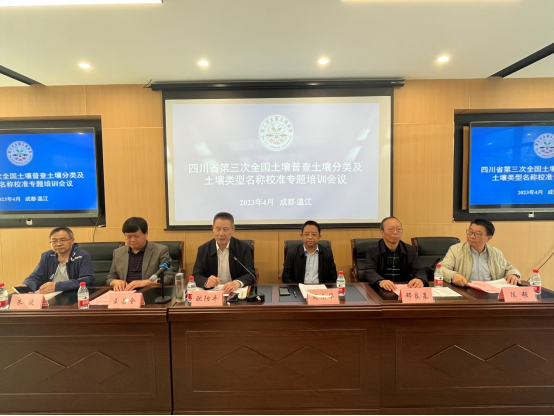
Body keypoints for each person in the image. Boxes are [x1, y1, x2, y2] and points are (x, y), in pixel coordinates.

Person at [441, 219, 520, 287]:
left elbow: (510, 268)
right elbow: (442, 268)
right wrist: (453, 275)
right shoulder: (456, 250)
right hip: (466, 290)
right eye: (470, 232)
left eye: (478, 234)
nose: (472, 236)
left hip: (490, 292)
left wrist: (513, 275)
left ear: (488, 238)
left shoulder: (496, 253)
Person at [192, 212, 256, 294]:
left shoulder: (243, 248)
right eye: (218, 229)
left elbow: (250, 274)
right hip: (213, 294)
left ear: (232, 229)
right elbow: (196, 275)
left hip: (235, 293)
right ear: (213, 229)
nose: (221, 234)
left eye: (225, 229)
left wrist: (237, 283)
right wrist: (206, 282)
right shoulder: (203, 250)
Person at [17, 227, 95, 294]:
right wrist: (27, 285)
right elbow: (37, 276)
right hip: (51, 295)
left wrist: (57, 286)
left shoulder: (82, 255)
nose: (58, 244)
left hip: (74, 294)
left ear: (72, 241)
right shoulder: (47, 256)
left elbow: (87, 279)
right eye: (54, 241)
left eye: (63, 240)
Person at [106, 217, 175, 291]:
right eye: (128, 237)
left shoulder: (160, 251)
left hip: (149, 292)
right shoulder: (118, 252)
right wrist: (116, 282)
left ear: (146, 233)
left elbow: (169, 278)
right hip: (126, 293)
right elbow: (110, 278)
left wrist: (144, 283)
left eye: (136, 236)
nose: (132, 240)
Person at [363, 216, 428, 291]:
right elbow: (369, 271)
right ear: (382, 232)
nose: (395, 232)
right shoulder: (373, 250)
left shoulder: (410, 250)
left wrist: (420, 279)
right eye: (390, 229)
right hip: (381, 289)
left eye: (399, 229)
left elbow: (419, 270)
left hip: (404, 289)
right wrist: (380, 281)